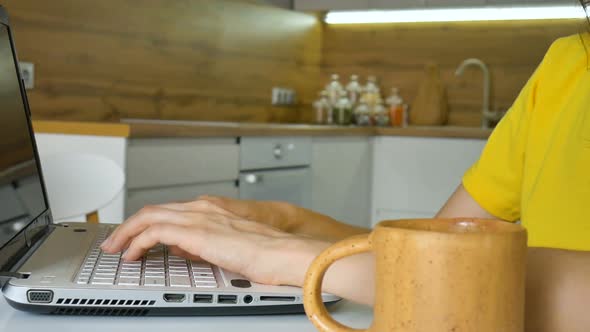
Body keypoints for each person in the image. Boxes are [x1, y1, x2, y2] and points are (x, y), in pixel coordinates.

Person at [101, 5, 590, 332]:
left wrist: (289, 255)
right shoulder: (568, 67)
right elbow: (434, 253)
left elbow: (437, 275)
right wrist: (286, 221)